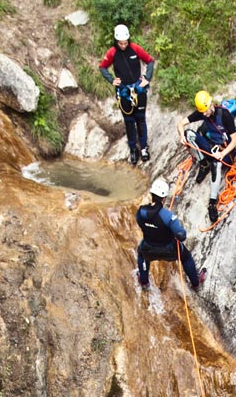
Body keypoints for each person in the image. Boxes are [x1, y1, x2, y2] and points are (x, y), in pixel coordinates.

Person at [176, 90, 236, 223]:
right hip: (213, 147)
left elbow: (234, 140)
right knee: (189, 134)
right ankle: (204, 164)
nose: (204, 114)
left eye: (205, 111)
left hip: (226, 152)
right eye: (202, 112)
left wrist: (222, 153)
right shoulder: (202, 114)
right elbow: (181, 124)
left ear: (211, 104)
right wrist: (182, 136)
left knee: (216, 162)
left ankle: (212, 202)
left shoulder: (225, 115)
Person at [135, 179, 207, 291]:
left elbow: (141, 223)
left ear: (152, 194)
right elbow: (181, 235)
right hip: (169, 250)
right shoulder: (168, 216)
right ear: (164, 198)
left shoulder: (141, 212)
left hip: (149, 248)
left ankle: (144, 282)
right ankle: (196, 284)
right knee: (186, 257)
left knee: (141, 253)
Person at [99, 24, 155, 165]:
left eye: (125, 43)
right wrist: (112, 80)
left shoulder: (135, 48)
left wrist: (147, 78)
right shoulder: (112, 52)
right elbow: (102, 67)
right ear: (116, 42)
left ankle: (143, 148)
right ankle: (132, 149)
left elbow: (150, 61)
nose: (123, 46)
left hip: (138, 88)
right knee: (129, 122)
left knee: (140, 120)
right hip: (123, 91)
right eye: (121, 43)